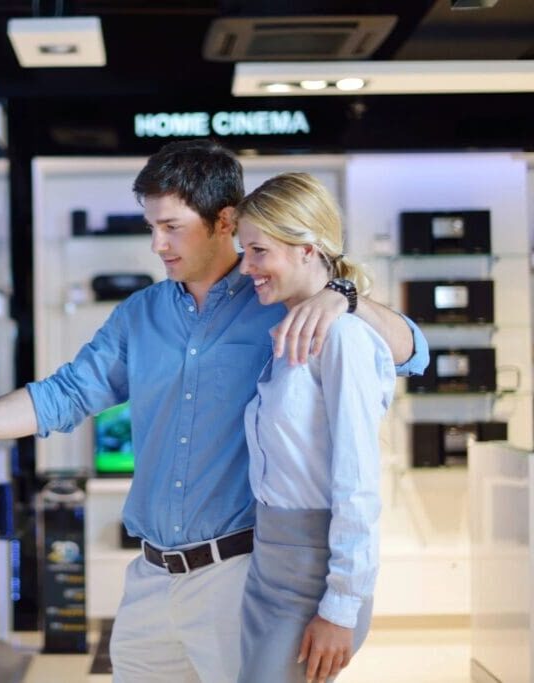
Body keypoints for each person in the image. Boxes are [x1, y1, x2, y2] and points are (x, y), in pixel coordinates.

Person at [0, 140, 428, 682]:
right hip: (150, 580)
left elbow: (411, 353)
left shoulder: (277, 300)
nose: (158, 244)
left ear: (225, 221)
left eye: (172, 227)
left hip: (239, 574)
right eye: (151, 227)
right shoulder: (141, 314)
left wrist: (344, 294)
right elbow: (64, 396)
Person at [235, 172, 394, 683]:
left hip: (314, 576)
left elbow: (359, 481)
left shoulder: (344, 336)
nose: (246, 267)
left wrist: (342, 605)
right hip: (267, 567)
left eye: (258, 250)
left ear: (307, 247)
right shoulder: (288, 333)